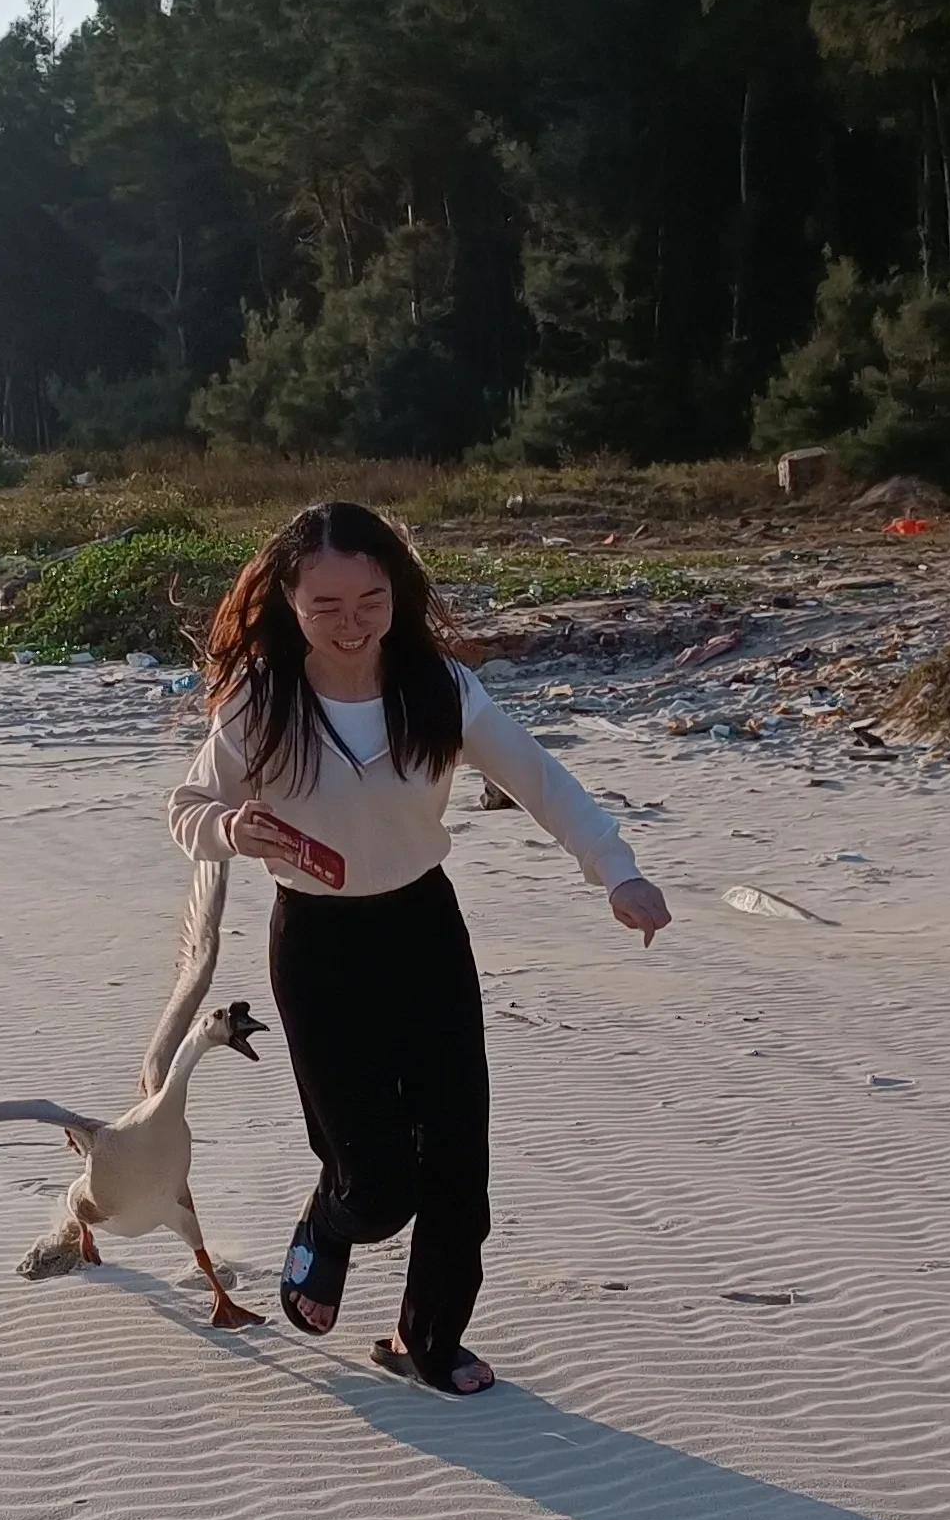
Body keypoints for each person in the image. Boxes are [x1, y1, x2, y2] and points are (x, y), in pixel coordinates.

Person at [169, 501, 670, 1394]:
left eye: (371, 599)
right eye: (326, 605)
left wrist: (617, 871)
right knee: (376, 1180)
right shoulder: (260, 698)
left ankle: (428, 1340)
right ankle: (330, 1224)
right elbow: (188, 811)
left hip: (424, 931)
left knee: (456, 1159)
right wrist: (232, 829)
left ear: (396, 592)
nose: (351, 624)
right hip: (318, 946)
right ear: (288, 599)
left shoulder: (439, 686)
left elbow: (541, 779)